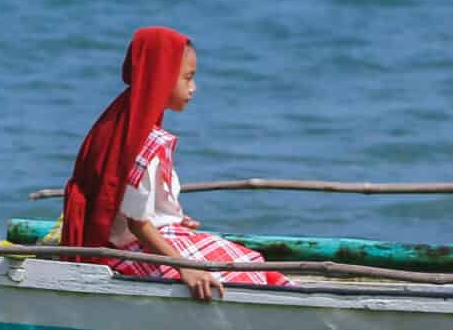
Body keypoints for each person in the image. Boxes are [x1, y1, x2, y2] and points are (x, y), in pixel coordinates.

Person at [60, 27, 287, 301]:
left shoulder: (120, 122)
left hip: (143, 236)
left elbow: (127, 202)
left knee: (251, 260)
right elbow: (137, 225)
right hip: (133, 247)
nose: (194, 88)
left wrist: (169, 215)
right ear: (163, 78)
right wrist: (185, 268)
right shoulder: (143, 141)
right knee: (237, 277)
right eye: (188, 78)